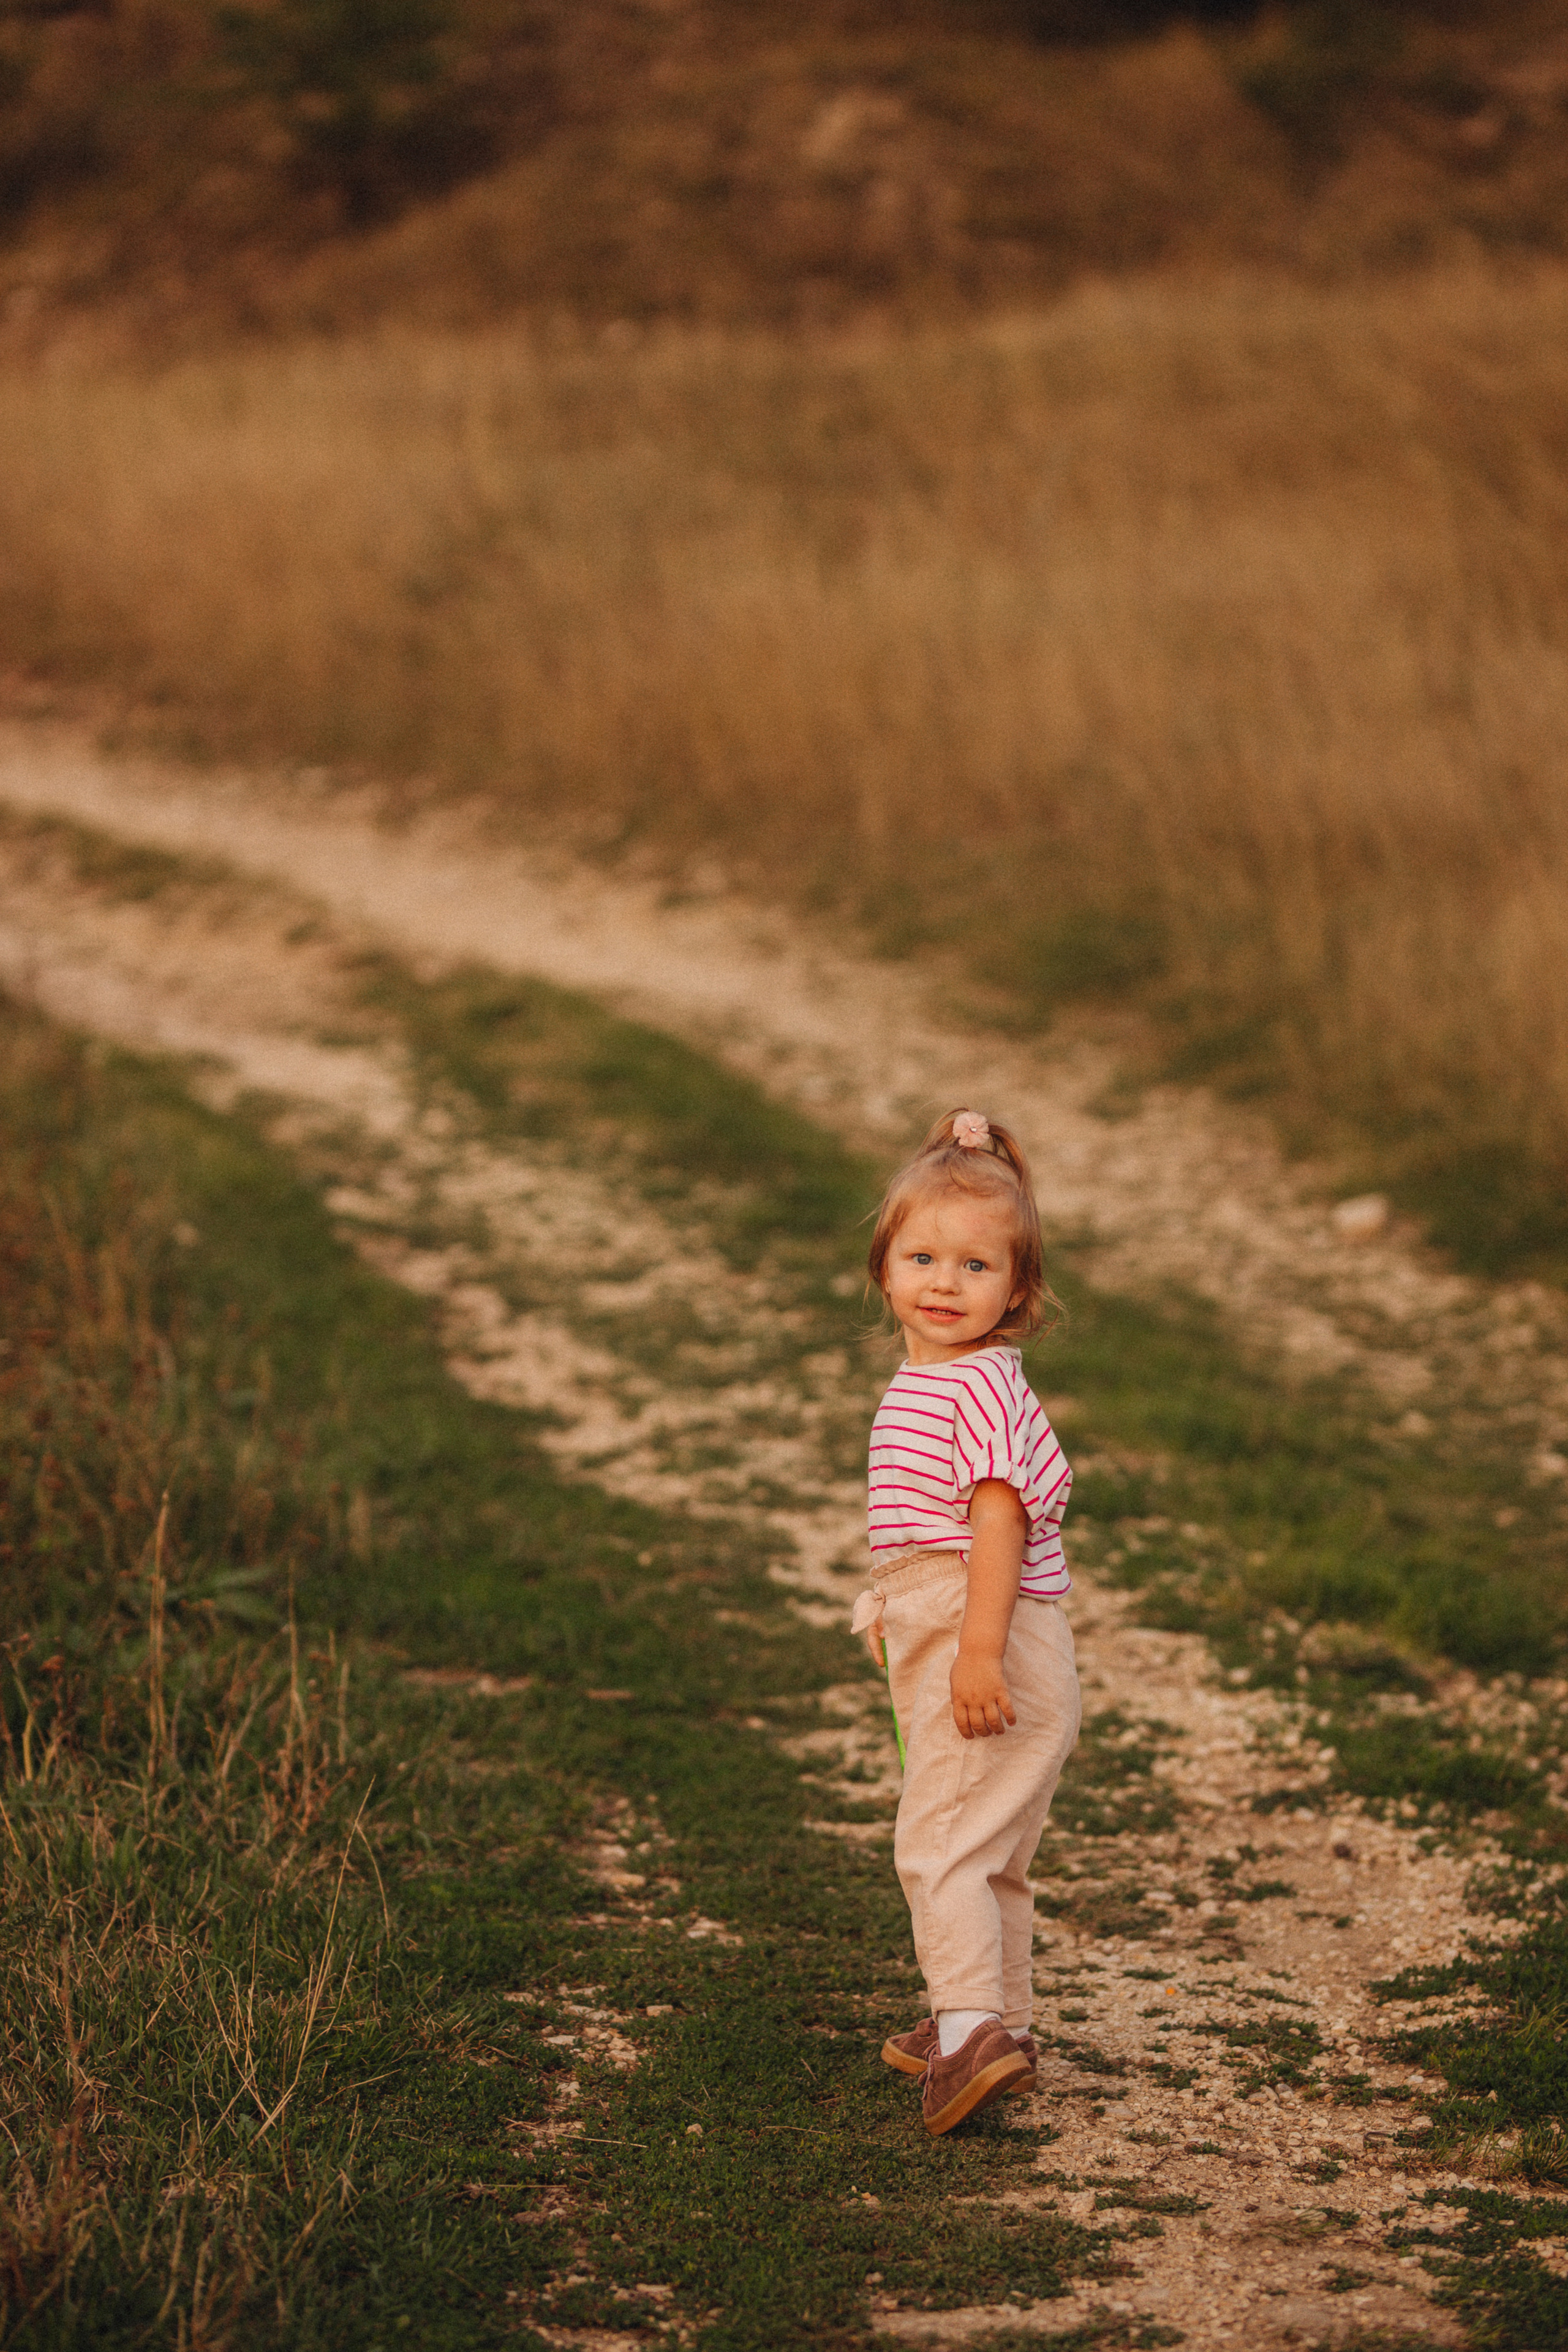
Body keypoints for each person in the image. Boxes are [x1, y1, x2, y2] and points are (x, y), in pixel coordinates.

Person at [851, 1107, 1080, 2136]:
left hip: (986, 1632)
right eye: (924, 1256)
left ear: (1017, 1292)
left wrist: (974, 1650)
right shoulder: (944, 1378)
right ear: (886, 1267)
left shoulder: (975, 1386)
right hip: (972, 1624)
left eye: (977, 1265)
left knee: (939, 1841)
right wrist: (889, 1603)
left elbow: (998, 1518)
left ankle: (970, 2028)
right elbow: (925, 1523)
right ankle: (1002, 2027)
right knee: (992, 1856)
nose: (945, 1282)